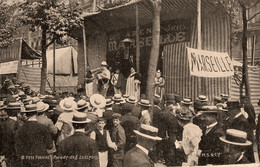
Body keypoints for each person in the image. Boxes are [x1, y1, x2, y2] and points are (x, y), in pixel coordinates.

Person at [0, 102, 19, 166]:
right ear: (17, 111)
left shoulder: (3, 124)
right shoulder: (20, 123)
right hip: (16, 156)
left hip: (6, 155)